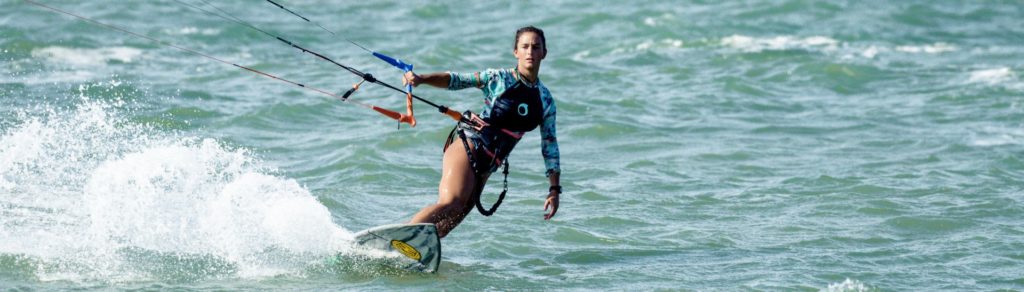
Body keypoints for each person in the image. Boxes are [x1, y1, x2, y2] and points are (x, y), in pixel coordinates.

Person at [403, 26, 561, 238]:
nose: (530, 52)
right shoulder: (498, 78)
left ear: (544, 53)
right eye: (524, 46)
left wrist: (554, 189)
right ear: (516, 52)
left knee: (454, 217)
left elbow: (549, 145)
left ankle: (417, 251)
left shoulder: (545, 100)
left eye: (535, 47)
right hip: (470, 145)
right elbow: (457, 80)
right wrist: (422, 79)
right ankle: (400, 239)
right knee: (452, 203)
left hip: (489, 164)